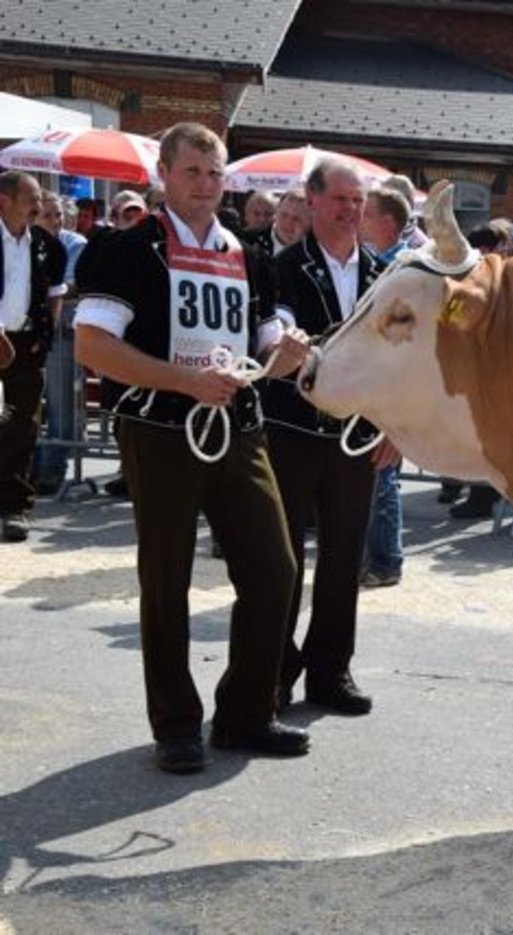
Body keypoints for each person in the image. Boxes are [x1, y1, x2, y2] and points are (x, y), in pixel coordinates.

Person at [72, 122, 312, 772]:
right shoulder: (127, 250)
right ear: (164, 175)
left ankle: (245, 713)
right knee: (167, 579)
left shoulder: (249, 255)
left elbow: (267, 347)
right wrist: (185, 380)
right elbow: (93, 346)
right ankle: (176, 724)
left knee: (276, 569)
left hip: (238, 428)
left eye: (214, 173)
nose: (206, 185)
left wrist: (288, 355)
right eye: (192, 172)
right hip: (160, 430)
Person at [263, 157, 390, 714]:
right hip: (292, 430)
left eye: (358, 201)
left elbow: (399, 359)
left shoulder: (383, 273)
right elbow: (279, 340)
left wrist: (394, 425)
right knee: (283, 560)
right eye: (340, 199)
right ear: (311, 200)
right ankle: (274, 671)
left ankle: (331, 671)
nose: (350, 210)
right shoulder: (284, 266)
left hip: (356, 436)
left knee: (344, 559)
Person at [0, 171, 67, 541]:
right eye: (31, 199)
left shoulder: (46, 245)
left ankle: (15, 508)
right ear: (4, 200)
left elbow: (55, 294)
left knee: (22, 427)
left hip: (26, 347)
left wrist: (45, 335)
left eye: (40, 198)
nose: (38, 206)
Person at [358, 186, 412, 589]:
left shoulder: (400, 270)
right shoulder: (377, 264)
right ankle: (376, 557)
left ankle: (387, 560)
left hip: (390, 387)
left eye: (368, 212)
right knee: (377, 476)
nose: (360, 218)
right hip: (374, 384)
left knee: (384, 475)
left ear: (388, 222)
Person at [31, 191, 87, 495]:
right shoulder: (20, 241)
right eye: (47, 215)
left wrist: (36, 290)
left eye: (59, 215)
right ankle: (30, 462)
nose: (55, 221)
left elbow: (68, 286)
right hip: (25, 332)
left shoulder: (74, 243)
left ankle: (53, 465)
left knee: (60, 401)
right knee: (24, 402)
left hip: (61, 332)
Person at [246, 189, 308, 256]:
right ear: (276, 213)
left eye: (296, 219)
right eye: (284, 215)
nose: (288, 223)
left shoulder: (312, 252)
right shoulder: (249, 242)